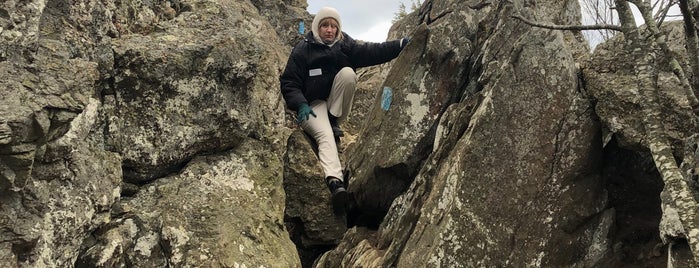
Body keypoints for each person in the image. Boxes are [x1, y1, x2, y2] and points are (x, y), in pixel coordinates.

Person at [280, 6, 409, 215]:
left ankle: (333, 119)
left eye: (333, 26)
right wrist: (300, 103)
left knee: (349, 73)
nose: (329, 30)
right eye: (324, 25)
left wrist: (400, 45)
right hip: (311, 106)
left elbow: (372, 51)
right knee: (325, 135)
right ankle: (335, 183)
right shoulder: (303, 50)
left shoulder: (344, 44)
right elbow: (289, 82)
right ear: (317, 27)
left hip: (335, 105)